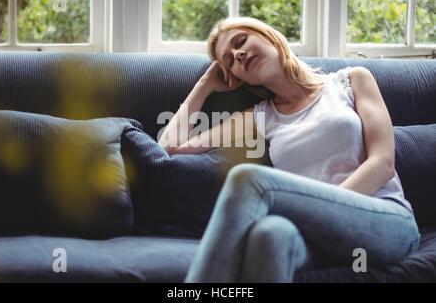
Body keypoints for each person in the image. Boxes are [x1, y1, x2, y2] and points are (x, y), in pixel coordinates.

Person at [157, 17, 420, 282]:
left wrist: (325, 208)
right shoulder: (259, 117)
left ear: (268, 36)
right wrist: (204, 85)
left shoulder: (352, 81)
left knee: (248, 180)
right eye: (229, 61)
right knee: (270, 234)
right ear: (235, 76)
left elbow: (383, 163)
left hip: (384, 221)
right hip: (320, 237)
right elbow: (170, 149)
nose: (238, 54)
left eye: (241, 41)